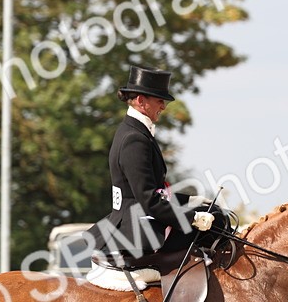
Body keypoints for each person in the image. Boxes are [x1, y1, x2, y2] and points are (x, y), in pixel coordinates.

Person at [86, 66, 215, 268]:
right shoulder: (134, 139)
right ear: (141, 101)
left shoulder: (135, 131)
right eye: (159, 100)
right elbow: (149, 200)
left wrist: (190, 200)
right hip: (134, 227)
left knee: (212, 211)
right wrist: (193, 217)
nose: (163, 106)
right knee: (215, 228)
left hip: (137, 218)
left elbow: (155, 192)